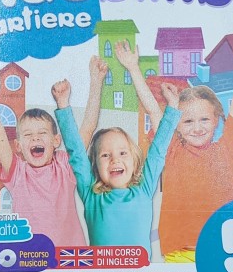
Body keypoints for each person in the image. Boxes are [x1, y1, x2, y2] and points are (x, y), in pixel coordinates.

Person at [154, 28, 233, 263]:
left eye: (204, 119)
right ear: (176, 125)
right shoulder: (172, 151)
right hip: (180, 251)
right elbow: (156, 114)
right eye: (188, 121)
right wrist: (134, 69)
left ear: (217, 120)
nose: (197, 128)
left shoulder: (226, 149)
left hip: (222, 247)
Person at [52, 49, 181, 257]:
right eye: (105, 155)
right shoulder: (92, 195)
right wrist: (63, 105)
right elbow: (76, 152)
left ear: (134, 160)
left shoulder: (144, 189)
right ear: (95, 166)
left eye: (122, 153)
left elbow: (158, 150)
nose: (114, 159)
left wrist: (173, 107)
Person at [0, 56, 108, 246]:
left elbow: (88, 129)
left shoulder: (65, 166)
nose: (35, 138)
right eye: (28, 135)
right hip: (31, 258)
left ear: (56, 141)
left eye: (42, 133)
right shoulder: (17, 172)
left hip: (69, 257)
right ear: (18, 146)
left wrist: (96, 81)